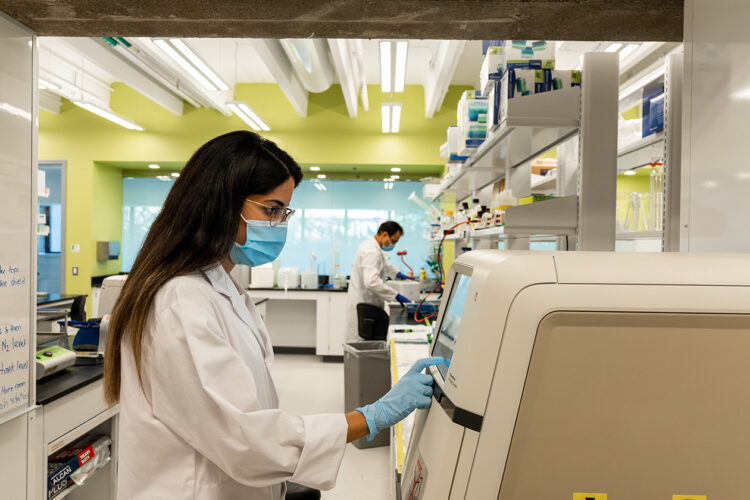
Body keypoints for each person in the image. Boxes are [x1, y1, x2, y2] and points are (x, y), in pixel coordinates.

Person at [103, 131, 443, 499]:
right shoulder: (181, 300)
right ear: (222, 203)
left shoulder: (220, 288)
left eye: (284, 212)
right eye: (271, 209)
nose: (280, 223)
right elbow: (247, 440)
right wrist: (371, 417)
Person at [345, 221, 415, 343]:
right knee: (362, 342)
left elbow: (383, 264)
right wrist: (396, 295)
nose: (393, 245)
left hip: (367, 303)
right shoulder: (371, 251)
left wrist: (397, 273)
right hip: (364, 303)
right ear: (384, 234)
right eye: (393, 241)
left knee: (366, 341)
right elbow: (372, 282)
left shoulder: (372, 246)